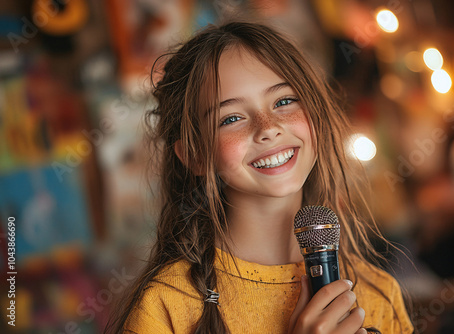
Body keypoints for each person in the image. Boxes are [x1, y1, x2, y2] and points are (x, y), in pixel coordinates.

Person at [105, 21, 414, 334]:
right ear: (195, 154)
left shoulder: (380, 296)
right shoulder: (167, 305)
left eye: (283, 101)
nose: (267, 127)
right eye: (232, 118)